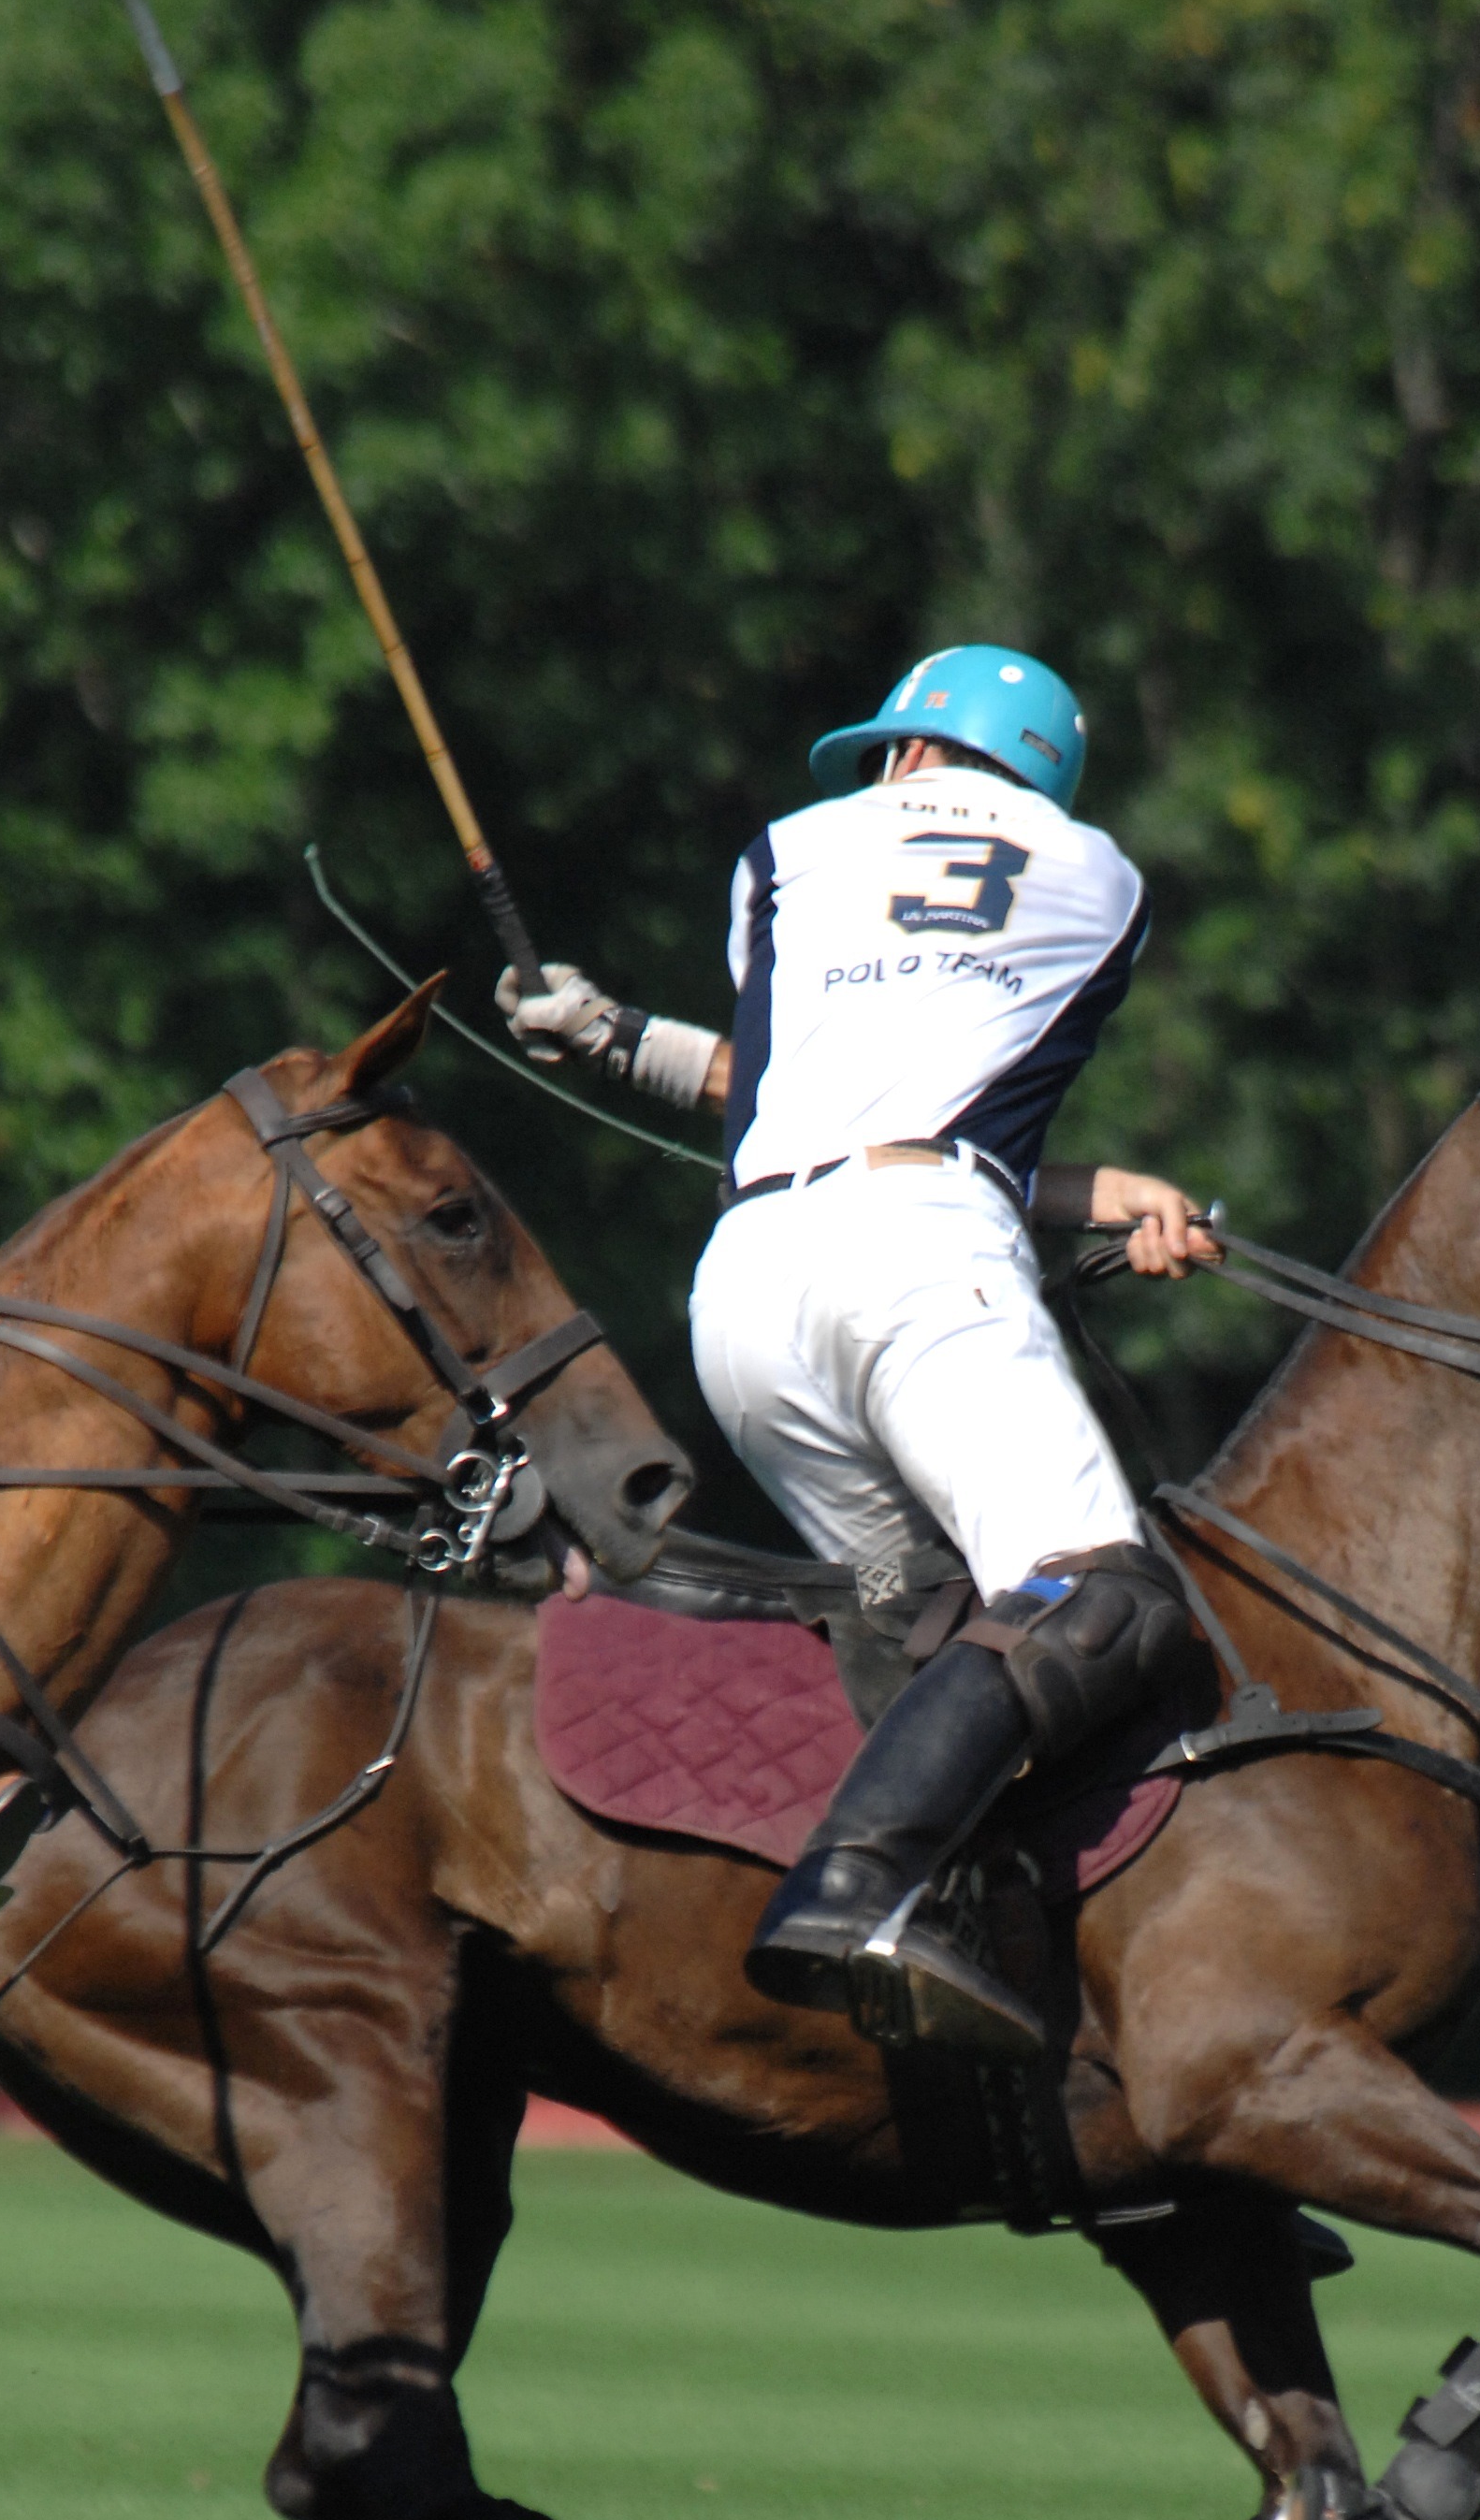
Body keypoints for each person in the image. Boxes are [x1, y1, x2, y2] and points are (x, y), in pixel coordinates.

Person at [502, 644, 1216, 2062]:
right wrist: (1072, 1192)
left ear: (904, 754)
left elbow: (797, 1085)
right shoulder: (1100, 880)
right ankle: (859, 1889)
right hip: (924, 1273)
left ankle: (957, 1949)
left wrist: (610, 1033)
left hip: (754, 1303)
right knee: (1100, 1601)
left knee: (914, 1609)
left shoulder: (786, 852)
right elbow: (940, 1117)